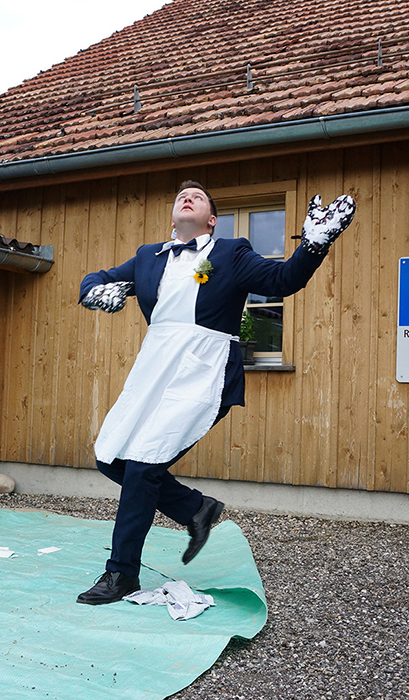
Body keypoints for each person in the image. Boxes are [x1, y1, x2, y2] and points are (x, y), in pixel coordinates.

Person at [77, 180, 355, 605]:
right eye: (180, 197)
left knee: (144, 466)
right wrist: (95, 291)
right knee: (111, 457)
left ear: (211, 219)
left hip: (203, 369)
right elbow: (98, 277)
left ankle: (121, 574)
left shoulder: (231, 253)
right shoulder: (147, 257)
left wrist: (313, 246)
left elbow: (282, 279)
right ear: (173, 216)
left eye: (198, 197)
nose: (187, 197)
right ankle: (195, 509)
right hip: (154, 368)